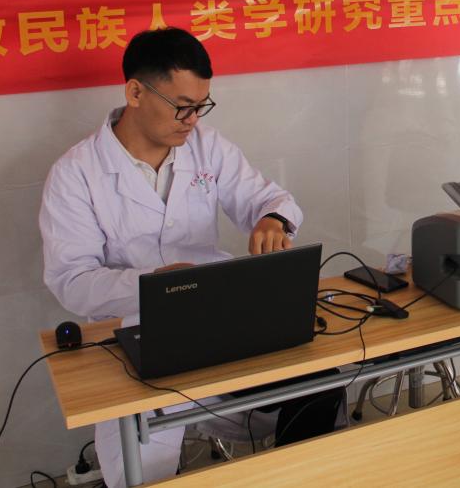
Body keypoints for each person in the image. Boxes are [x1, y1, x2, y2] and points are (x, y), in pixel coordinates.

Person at [40, 28, 318, 487]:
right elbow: (72, 279)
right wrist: (157, 282)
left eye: (201, 106)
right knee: (138, 472)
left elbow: (268, 198)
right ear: (135, 93)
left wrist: (273, 219)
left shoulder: (207, 145)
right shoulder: (76, 173)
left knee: (319, 384)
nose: (191, 120)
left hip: (219, 314)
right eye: (182, 106)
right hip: (137, 332)